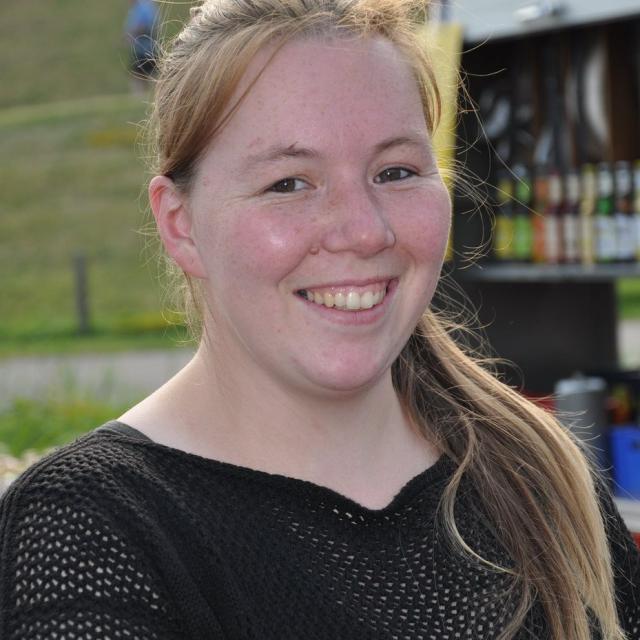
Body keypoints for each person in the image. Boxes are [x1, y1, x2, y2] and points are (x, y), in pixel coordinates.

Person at [1, 0, 639, 638]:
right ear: (181, 224)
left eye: (395, 172)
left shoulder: (543, 478)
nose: (364, 231)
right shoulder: (87, 527)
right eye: (288, 183)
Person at [124, 0, 159, 93]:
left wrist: (132, 33)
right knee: (143, 74)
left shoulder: (144, 7)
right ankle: (143, 96)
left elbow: (148, 26)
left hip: (146, 48)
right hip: (140, 48)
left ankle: (142, 95)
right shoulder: (137, 8)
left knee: (145, 75)